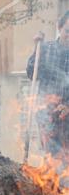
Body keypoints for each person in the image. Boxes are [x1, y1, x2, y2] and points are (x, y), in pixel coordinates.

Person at [26, 10, 69, 163]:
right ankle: (50, 186)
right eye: (67, 31)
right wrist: (36, 48)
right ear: (59, 27)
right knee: (51, 158)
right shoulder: (46, 48)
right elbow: (32, 74)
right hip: (47, 113)